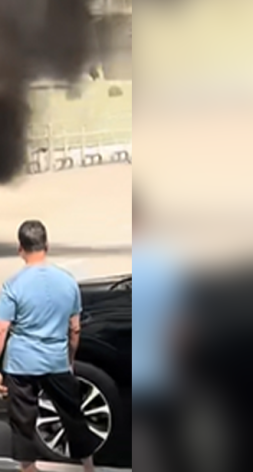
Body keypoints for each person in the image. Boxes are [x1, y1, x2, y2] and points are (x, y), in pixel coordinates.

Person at [0, 220, 99, 472]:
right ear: (46, 246)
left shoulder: (12, 285)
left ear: (20, 248)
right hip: (56, 360)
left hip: (21, 364)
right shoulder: (68, 282)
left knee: (23, 420)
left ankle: (29, 468)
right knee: (72, 414)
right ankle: (88, 467)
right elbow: (75, 328)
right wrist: (69, 359)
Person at [131, 195, 188, 472]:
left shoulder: (150, 264)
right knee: (171, 440)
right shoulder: (166, 263)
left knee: (152, 443)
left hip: (146, 371)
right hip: (164, 370)